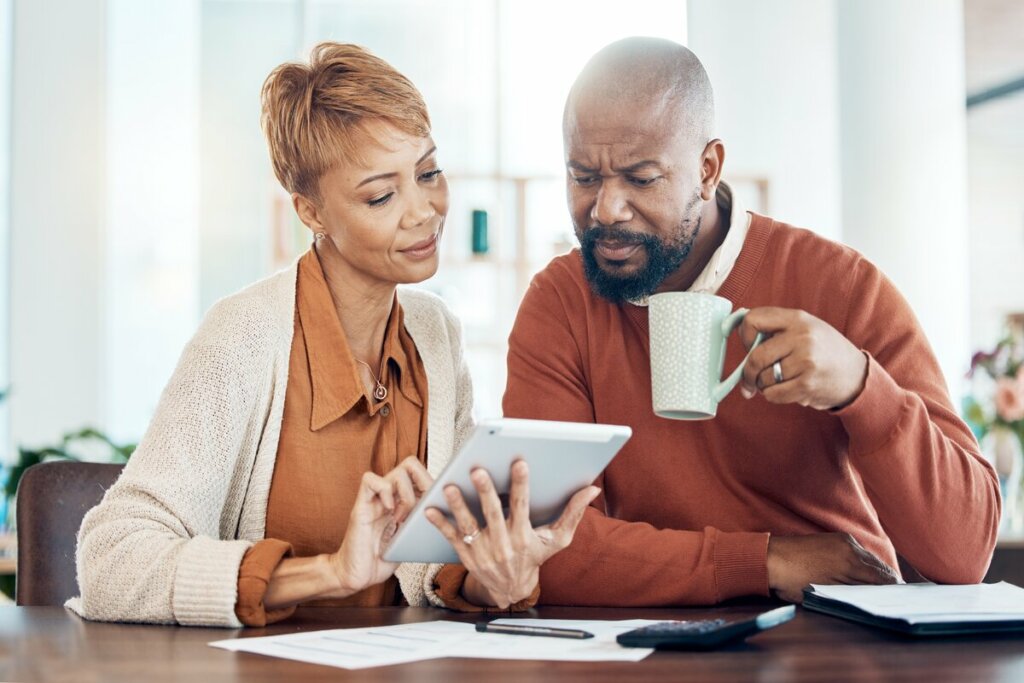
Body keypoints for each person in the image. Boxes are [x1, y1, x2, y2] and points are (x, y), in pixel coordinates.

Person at [71, 42, 597, 627]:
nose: (424, 211)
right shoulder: (242, 338)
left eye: (428, 173)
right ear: (312, 213)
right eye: (380, 195)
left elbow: (430, 565)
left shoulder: (435, 334)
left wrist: (496, 574)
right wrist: (332, 571)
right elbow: (111, 562)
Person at [503, 36, 1000, 606]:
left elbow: (965, 552)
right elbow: (542, 545)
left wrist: (861, 388)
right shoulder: (560, 302)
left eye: (641, 179)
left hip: (837, 632)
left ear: (708, 168)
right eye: (583, 176)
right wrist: (763, 560)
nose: (606, 210)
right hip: (653, 639)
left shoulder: (841, 286)